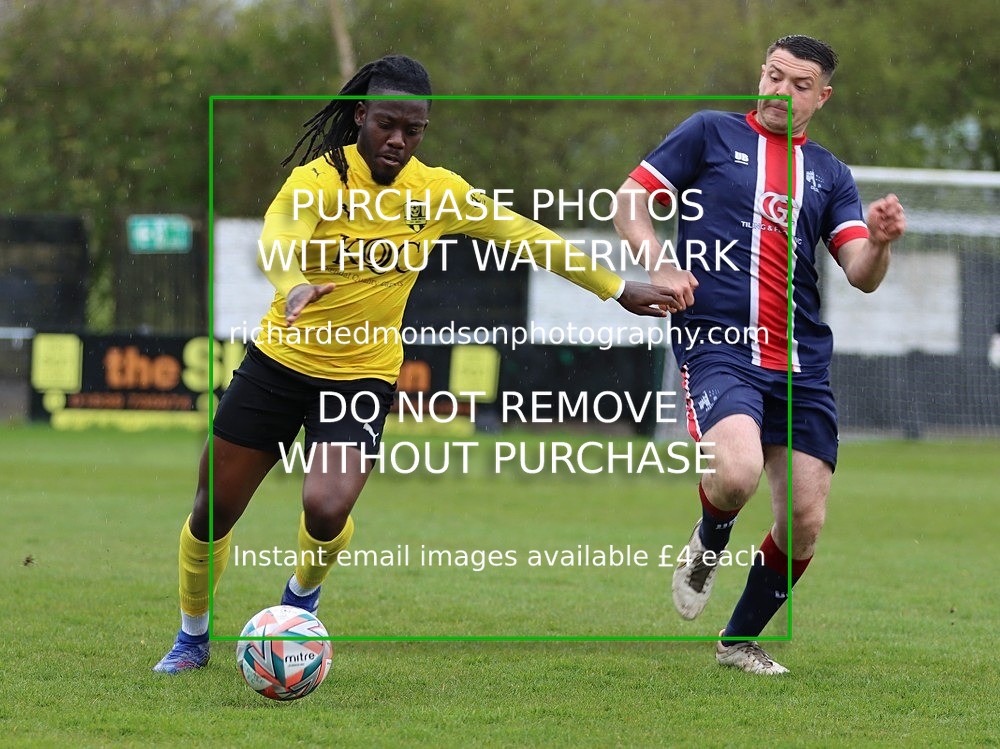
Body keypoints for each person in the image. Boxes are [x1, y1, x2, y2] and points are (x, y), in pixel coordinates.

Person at [154, 54, 678, 673]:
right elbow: (279, 235)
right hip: (279, 366)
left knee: (326, 507)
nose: (398, 140)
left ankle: (299, 603)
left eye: (414, 129)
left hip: (362, 376)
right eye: (386, 125)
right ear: (360, 118)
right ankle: (192, 636)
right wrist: (294, 283)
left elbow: (526, 235)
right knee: (212, 511)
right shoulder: (317, 182)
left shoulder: (437, 191)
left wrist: (618, 289)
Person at [613, 35, 906, 674]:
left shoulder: (828, 173)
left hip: (801, 363)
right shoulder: (709, 134)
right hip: (717, 346)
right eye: (773, 76)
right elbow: (629, 200)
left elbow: (860, 270)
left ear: (821, 97)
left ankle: (738, 641)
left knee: (804, 518)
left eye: (798, 84)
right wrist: (660, 264)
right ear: (761, 75)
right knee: (738, 472)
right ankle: (710, 538)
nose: (780, 90)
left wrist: (879, 242)